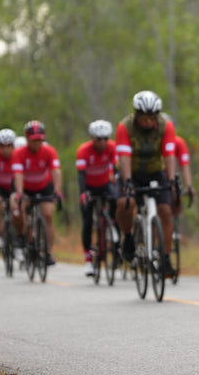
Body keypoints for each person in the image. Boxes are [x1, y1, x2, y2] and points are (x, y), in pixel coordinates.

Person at [115, 90, 179, 278]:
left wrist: (172, 179)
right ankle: (127, 237)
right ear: (136, 114)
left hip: (155, 171)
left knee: (165, 211)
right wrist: (127, 181)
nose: (149, 122)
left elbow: (168, 154)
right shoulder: (124, 127)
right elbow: (124, 157)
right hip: (132, 172)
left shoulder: (165, 126)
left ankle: (165, 259)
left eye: (153, 117)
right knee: (125, 203)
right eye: (144, 117)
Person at [11, 120, 63, 266]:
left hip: (43, 185)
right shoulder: (19, 153)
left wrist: (57, 191)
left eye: (40, 140)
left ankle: (48, 252)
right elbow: (18, 174)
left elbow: (56, 171)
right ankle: (21, 236)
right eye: (34, 140)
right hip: (25, 187)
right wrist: (20, 193)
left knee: (48, 215)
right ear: (27, 139)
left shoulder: (49, 151)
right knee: (19, 208)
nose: (37, 143)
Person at [76, 119, 118, 276]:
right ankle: (88, 260)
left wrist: (117, 184)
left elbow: (116, 167)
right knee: (87, 221)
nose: (102, 142)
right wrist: (83, 193)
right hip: (89, 186)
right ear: (92, 138)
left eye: (106, 138)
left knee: (117, 199)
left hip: (105, 183)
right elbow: (81, 175)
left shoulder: (112, 147)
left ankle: (112, 226)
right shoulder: (83, 150)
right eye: (99, 139)